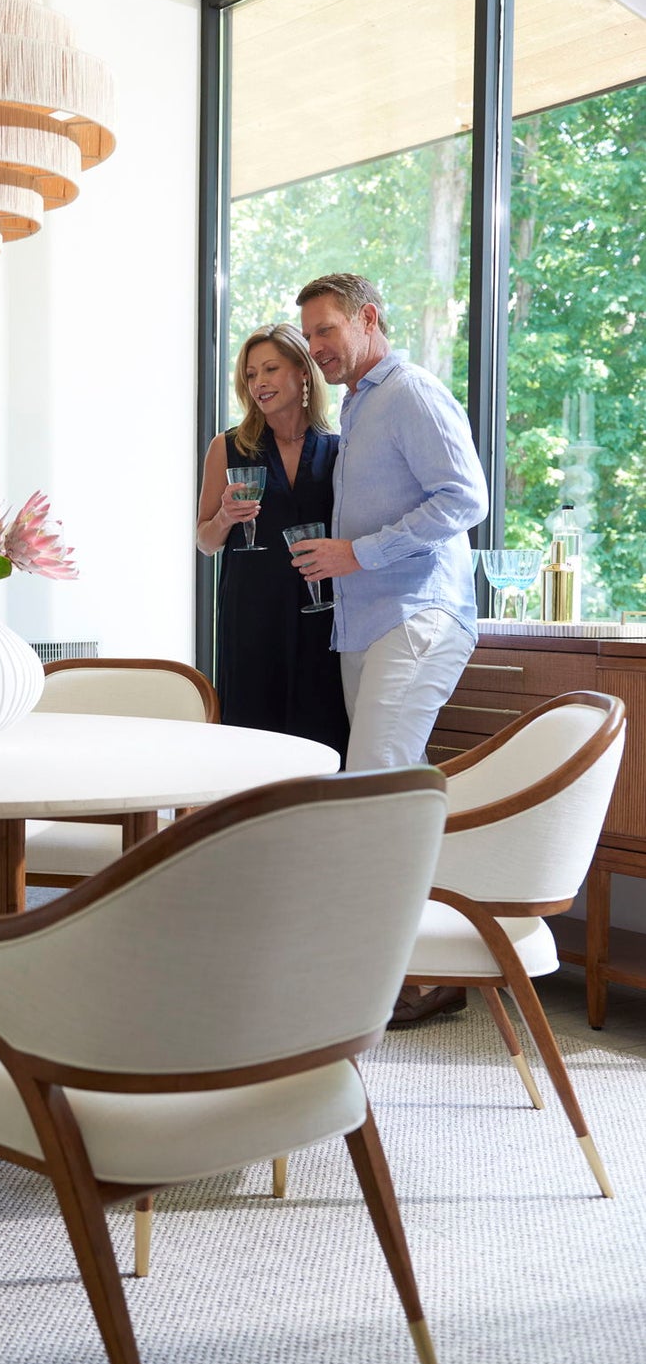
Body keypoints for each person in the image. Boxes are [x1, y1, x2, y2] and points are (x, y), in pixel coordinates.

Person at [289, 272, 488, 1027]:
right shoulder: (358, 404)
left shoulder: (410, 393)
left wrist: (359, 553)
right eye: (309, 335)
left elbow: (466, 497)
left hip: (418, 614)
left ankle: (388, 975)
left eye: (327, 330)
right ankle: (420, 965)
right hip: (366, 622)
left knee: (375, 788)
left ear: (368, 318)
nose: (316, 347)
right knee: (389, 790)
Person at [197, 322, 349, 758]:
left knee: (319, 738)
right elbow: (205, 541)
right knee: (250, 739)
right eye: (250, 374)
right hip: (250, 616)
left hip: (319, 614)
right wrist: (225, 516)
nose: (259, 383)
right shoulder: (228, 447)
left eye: (270, 369)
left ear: (303, 371)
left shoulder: (338, 449)